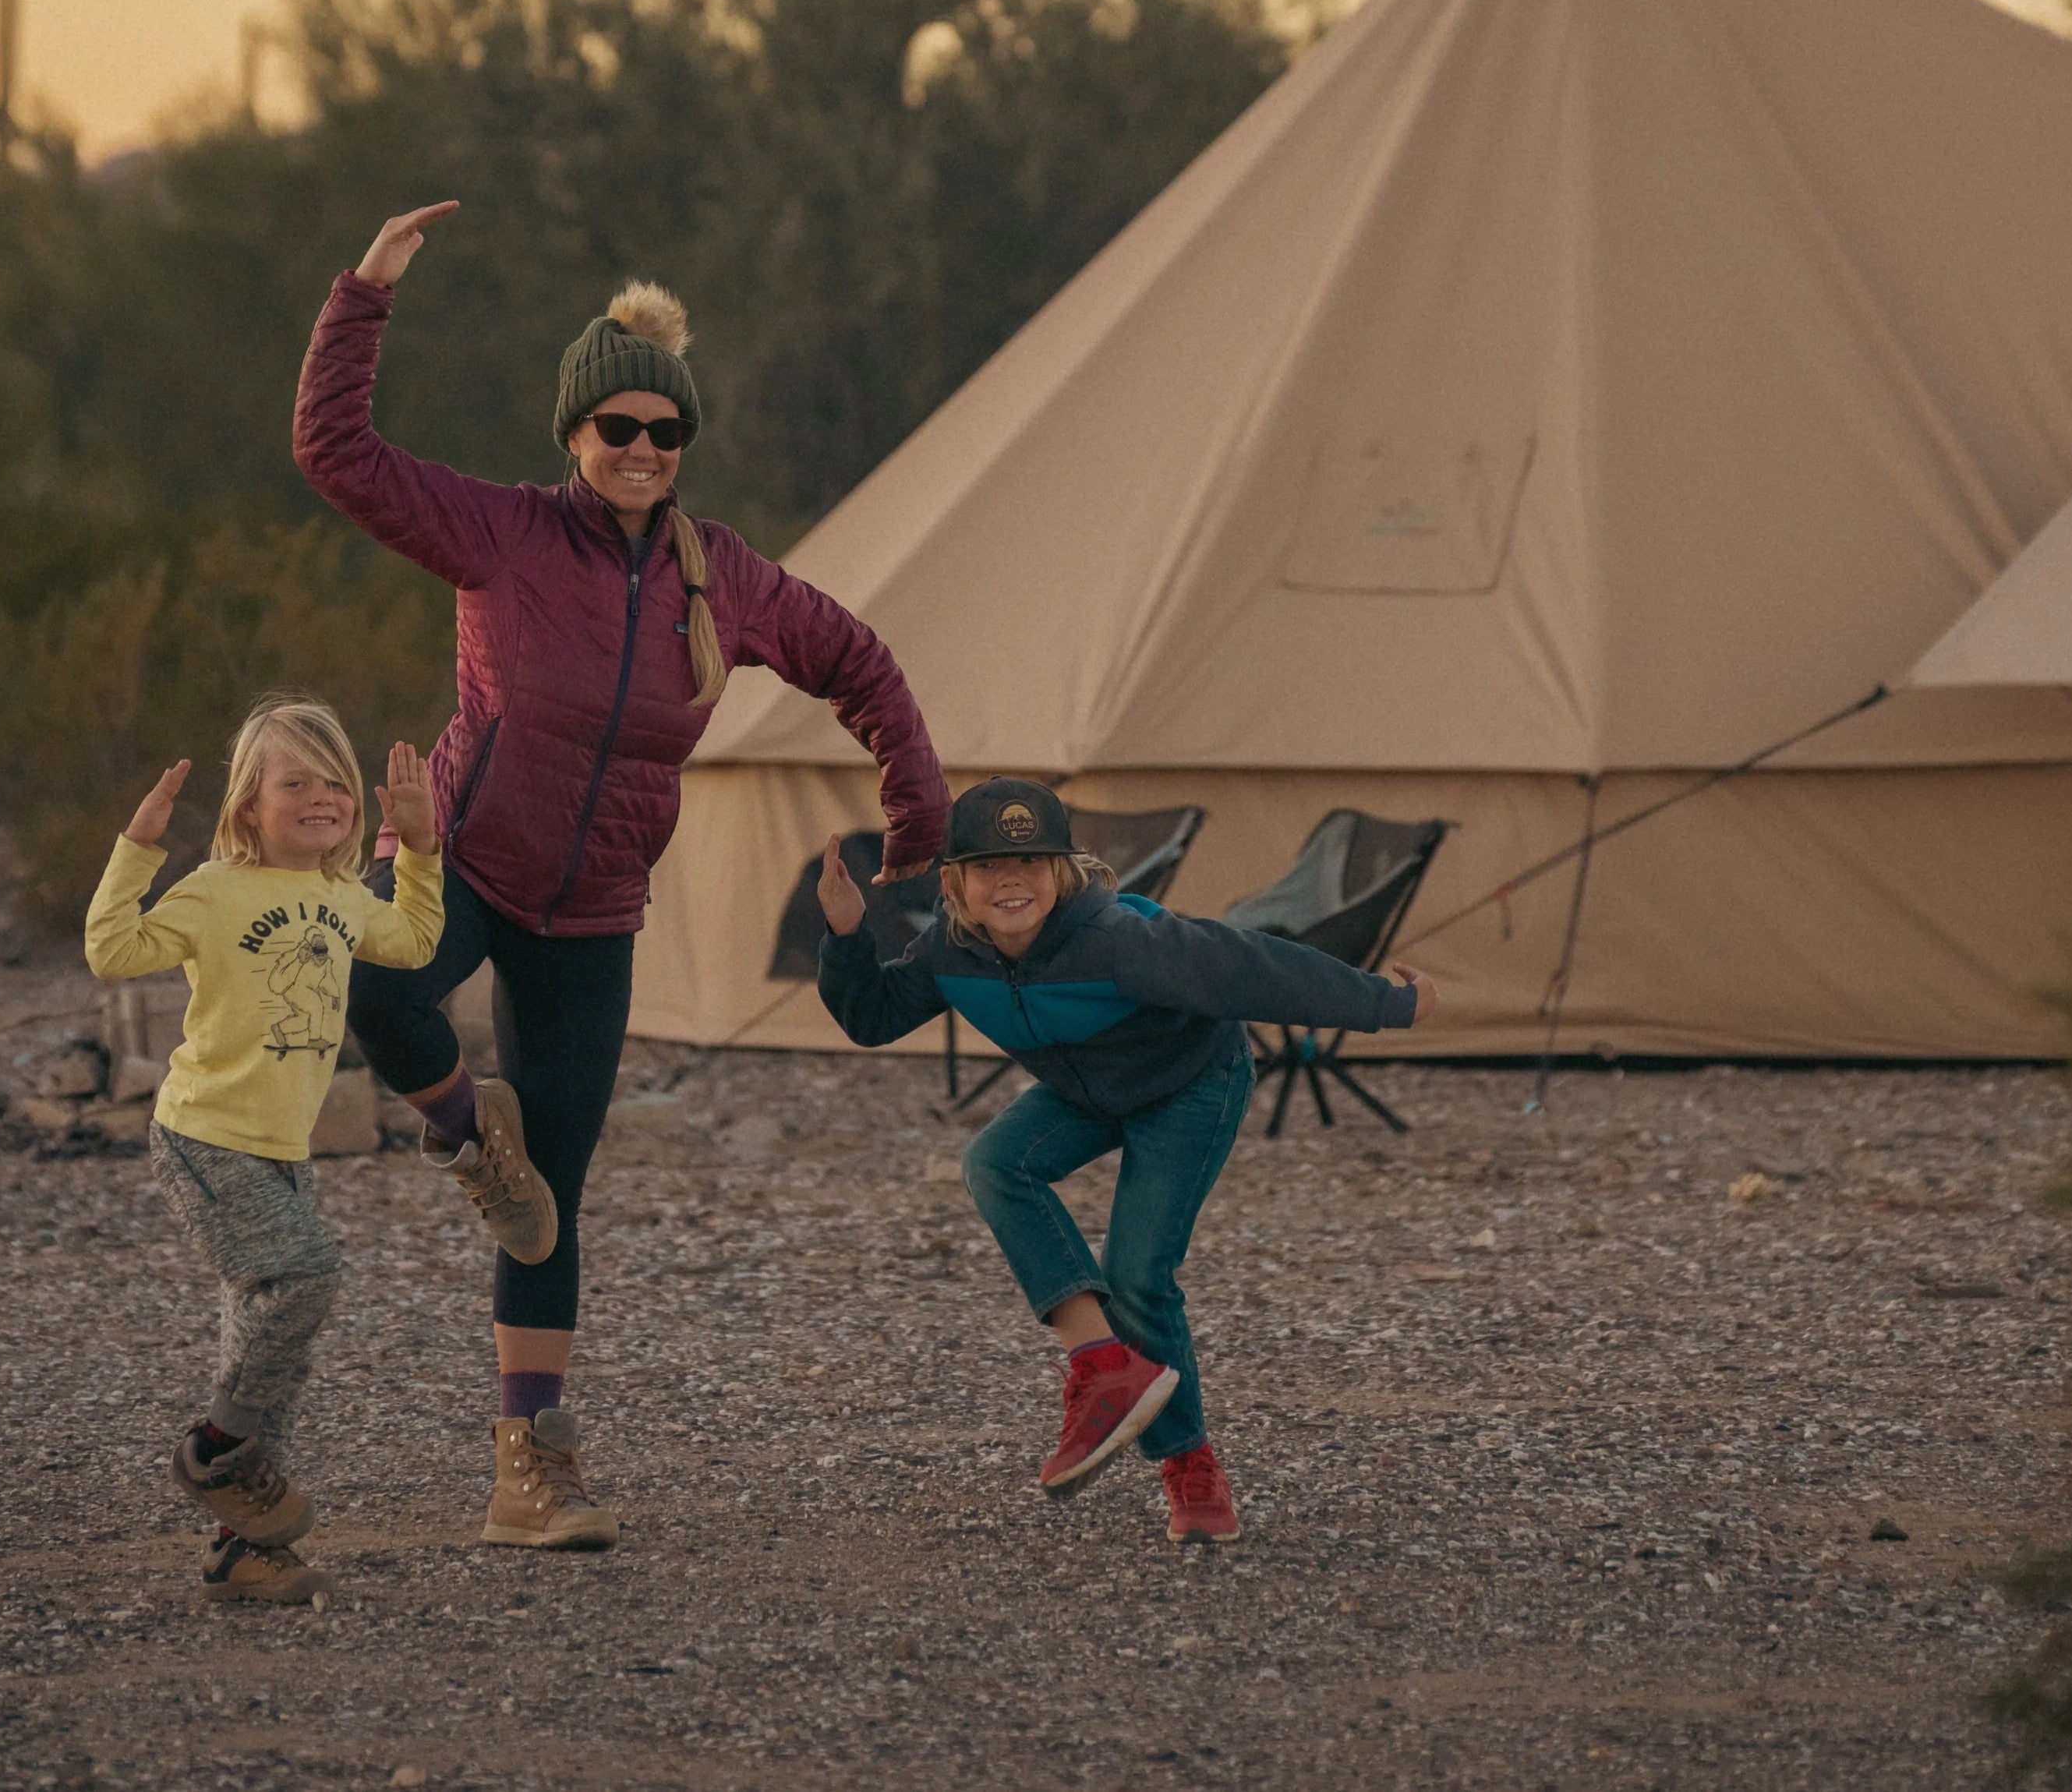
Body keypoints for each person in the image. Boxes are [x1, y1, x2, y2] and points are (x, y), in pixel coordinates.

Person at [293, 204, 947, 1550]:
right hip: (459, 862)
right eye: (618, 430)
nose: (643, 452)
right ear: (574, 436)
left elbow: (863, 667)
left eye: (665, 433)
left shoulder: (729, 584)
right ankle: (468, 1131)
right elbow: (334, 452)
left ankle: (528, 1466)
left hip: (591, 914)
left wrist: (917, 819)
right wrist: (365, 293)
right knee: (364, 977)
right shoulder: (500, 535)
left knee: (555, 1204)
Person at [815, 776, 1437, 1546]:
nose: (1010, 883)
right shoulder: (950, 952)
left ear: (1062, 871)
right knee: (995, 1162)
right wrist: (846, 937)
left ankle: (1190, 1464)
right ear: (955, 884)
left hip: (1190, 1086)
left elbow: (1256, 968)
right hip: (1086, 1085)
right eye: (987, 869)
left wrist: (1387, 1004)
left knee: (1139, 1273)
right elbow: (873, 1019)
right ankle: (1101, 1361)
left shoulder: (1121, 943)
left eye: (1031, 864)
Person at [83, 698, 451, 1606]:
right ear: (250, 804)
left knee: (271, 1345)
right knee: (307, 1279)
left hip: (285, 1150)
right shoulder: (213, 889)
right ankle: (213, 1455)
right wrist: (138, 847)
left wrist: (420, 848)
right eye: (296, 783)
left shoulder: (340, 896)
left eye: (335, 782)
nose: (320, 797)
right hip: (206, 1135)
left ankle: (239, 1549)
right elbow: (111, 951)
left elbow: (413, 940)